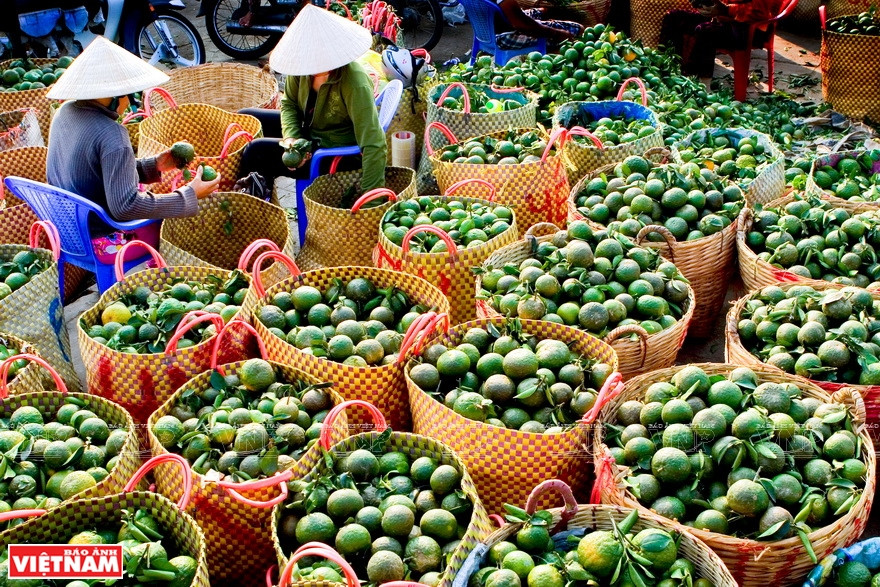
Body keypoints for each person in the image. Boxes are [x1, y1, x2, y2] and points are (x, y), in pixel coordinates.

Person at [45, 36, 220, 243]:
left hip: (64, 230)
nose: (129, 103)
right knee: (182, 231)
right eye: (128, 95)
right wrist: (188, 195)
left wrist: (152, 166)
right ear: (113, 96)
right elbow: (125, 207)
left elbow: (93, 171)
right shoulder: (112, 133)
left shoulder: (64, 112)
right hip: (100, 238)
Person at [239, 4, 387, 191]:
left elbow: (374, 143)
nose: (314, 65)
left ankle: (253, 201)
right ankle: (257, 190)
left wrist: (371, 201)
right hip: (308, 134)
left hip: (335, 155)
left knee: (255, 151)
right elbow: (289, 104)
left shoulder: (354, 82)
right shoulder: (301, 67)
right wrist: (292, 138)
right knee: (246, 118)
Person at [660, 0, 784, 78]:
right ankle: (669, 71)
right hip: (725, 19)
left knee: (706, 31)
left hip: (750, 30)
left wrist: (725, 10)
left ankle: (702, 86)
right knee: (674, 18)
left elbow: (758, 12)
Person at [493, 0, 585, 51]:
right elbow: (522, 26)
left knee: (544, 11)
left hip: (489, 29)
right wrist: (557, 34)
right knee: (577, 29)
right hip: (504, 37)